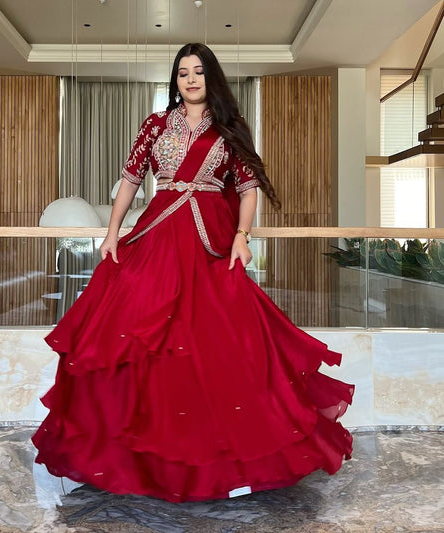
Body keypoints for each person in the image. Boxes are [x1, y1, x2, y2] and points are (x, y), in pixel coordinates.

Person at [32, 43, 354, 503]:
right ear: (174, 80)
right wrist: (112, 232)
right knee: (135, 331)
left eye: (198, 71)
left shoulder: (229, 128)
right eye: (182, 72)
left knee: (221, 340)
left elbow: (246, 189)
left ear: (211, 77)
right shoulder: (156, 125)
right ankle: (134, 456)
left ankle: (225, 461)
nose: (190, 79)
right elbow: (130, 179)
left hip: (210, 240)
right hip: (159, 230)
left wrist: (242, 236)